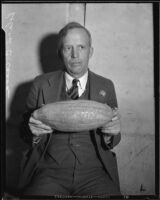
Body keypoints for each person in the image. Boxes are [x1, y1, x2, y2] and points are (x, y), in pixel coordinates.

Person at [19, 22, 121, 198]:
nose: (75, 55)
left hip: (95, 173)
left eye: (81, 47)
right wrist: (32, 132)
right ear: (60, 53)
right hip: (49, 173)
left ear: (91, 51)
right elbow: (23, 131)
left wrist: (111, 134)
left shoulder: (106, 86)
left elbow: (115, 136)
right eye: (68, 48)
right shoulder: (41, 84)